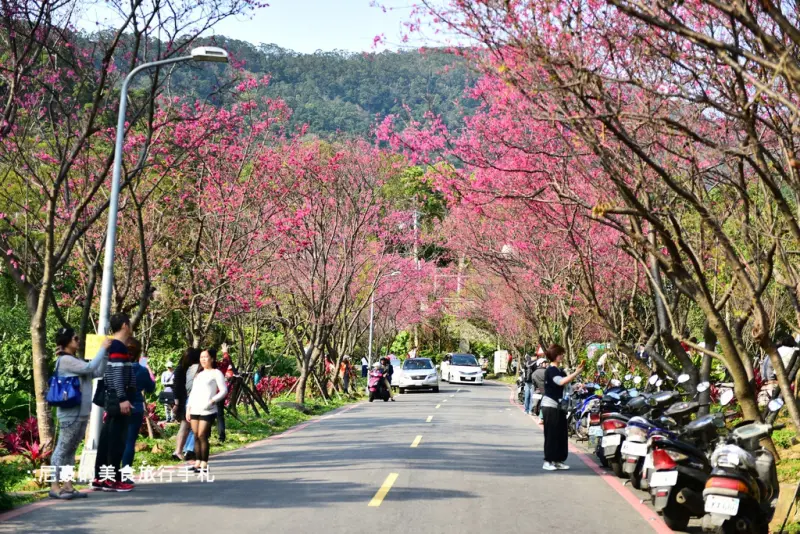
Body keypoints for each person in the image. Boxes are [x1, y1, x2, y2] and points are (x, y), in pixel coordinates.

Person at [49, 329, 111, 500]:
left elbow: (96, 372)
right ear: (67, 341)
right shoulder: (66, 360)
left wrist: (104, 355)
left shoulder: (75, 360)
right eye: (75, 338)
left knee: (70, 450)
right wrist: (102, 348)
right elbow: (90, 367)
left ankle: (68, 485)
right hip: (70, 414)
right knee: (62, 449)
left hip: (81, 413)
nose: (78, 340)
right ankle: (54, 486)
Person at [92, 313, 136, 492]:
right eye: (130, 323)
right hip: (118, 398)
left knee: (107, 437)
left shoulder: (113, 344)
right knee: (116, 439)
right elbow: (117, 374)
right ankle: (111, 479)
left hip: (112, 397)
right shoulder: (117, 345)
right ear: (125, 325)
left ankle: (101, 477)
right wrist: (123, 398)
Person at [541, 344, 584, 471]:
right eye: (560, 354)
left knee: (561, 434)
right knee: (551, 434)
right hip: (550, 406)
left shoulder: (561, 370)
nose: (562, 356)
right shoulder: (551, 370)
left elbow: (567, 387)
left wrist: (577, 387)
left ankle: (558, 460)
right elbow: (560, 382)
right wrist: (576, 372)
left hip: (560, 407)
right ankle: (548, 461)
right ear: (554, 355)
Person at [186, 348, 228, 473]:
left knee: (202, 435)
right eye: (201, 357)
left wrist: (212, 401)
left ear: (212, 358)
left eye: (205, 357)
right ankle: (197, 462)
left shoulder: (216, 373)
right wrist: (188, 409)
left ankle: (204, 463)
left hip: (208, 409)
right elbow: (193, 393)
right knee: (195, 436)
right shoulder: (199, 374)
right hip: (195, 408)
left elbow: (224, 390)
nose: (203, 359)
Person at [121, 338, 155, 472]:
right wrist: (148, 370)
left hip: (118, 407)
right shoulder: (142, 370)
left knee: (117, 441)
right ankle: (125, 473)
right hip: (136, 408)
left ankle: (111, 474)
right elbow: (151, 388)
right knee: (130, 442)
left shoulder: (117, 367)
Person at [172, 347, 201, 461]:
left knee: (187, 427)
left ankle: (181, 450)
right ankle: (179, 451)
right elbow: (177, 387)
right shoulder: (184, 369)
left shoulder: (182, 368)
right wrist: (177, 403)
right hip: (186, 401)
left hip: (184, 400)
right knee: (186, 427)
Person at [215, 343, 236, 443]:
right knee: (220, 415)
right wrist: (225, 352)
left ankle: (206, 435)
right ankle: (221, 437)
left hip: (210, 395)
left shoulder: (204, 368)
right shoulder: (220, 366)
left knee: (206, 416)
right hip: (220, 393)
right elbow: (226, 361)